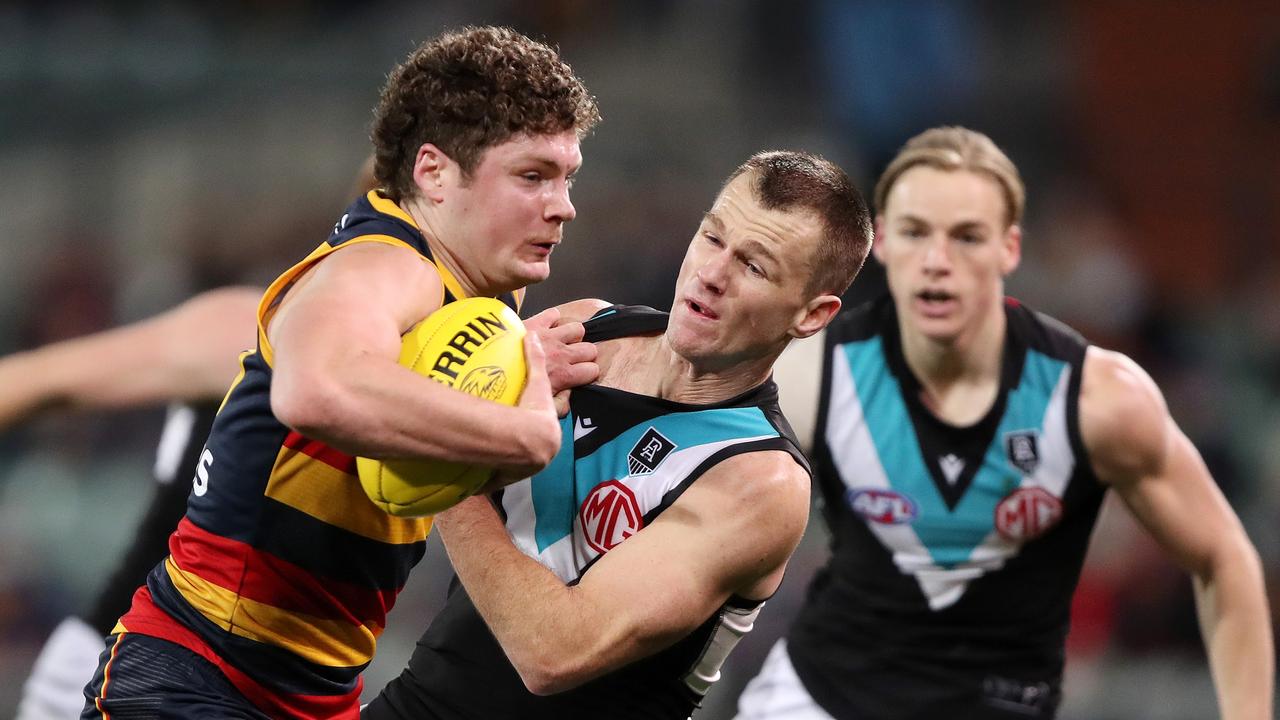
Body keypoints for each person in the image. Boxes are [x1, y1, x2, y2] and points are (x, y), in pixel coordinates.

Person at [83, 26, 601, 719]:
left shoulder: (485, 289)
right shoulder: (386, 264)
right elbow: (315, 388)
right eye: (532, 175)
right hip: (199, 674)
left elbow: (415, 464)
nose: (562, 204)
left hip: (315, 696)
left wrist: (515, 374)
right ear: (434, 172)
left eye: (567, 177)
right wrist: (522, 431)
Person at [735, 127, 1273, 719]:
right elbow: (679, 426)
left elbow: (1224, 557)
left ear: (1010, 248)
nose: (938, 262)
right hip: (817, 702)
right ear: (881, 242)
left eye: (967, 237)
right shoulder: (816, 372)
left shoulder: (1096, 398)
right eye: (916, 233)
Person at [361, 149, 874, 720]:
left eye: (754, 267)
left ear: (812, 315)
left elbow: (552, 653)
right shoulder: (584, 334)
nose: (711, 274)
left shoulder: (760, 480)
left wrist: (452, 451)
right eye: (711, 237)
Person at [4, 288, 259, 720]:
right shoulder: (253, 324)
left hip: (270, 688)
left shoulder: (402, 352)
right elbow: (38, 379)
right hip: (119, 673)